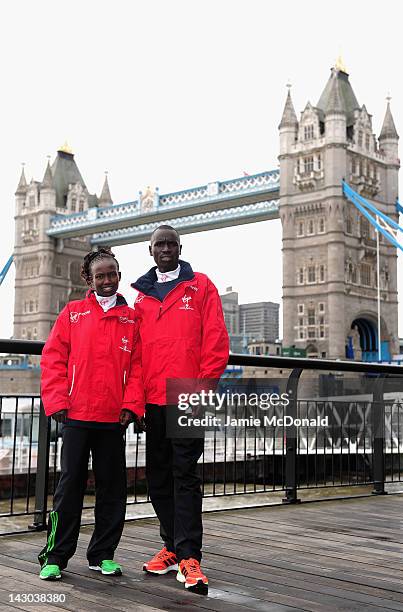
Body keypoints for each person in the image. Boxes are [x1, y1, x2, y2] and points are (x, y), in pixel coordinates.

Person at [131, 225, 229, 594]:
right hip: (152, 398)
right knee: (158, 477)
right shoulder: (139, 297)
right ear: (150, 250)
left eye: (172, 243)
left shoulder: (201, 286)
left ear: (180, 247)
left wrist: (202, 388)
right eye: (160, 244)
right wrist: (136, 398)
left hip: (187, 393)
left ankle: (190, 556)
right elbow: (136, 354)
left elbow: (217, 340)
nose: (166, 249)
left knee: (184, 475)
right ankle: (171, 545)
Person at [38, 247, 144, 581]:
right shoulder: (72, 314)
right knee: (68, 487)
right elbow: (53, 359)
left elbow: (139, 367)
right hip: (76, 415)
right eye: (100, 275)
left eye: (112, 273)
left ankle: (103, 554)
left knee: (112, 488)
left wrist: (131, 405)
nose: (108, 280)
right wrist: (57, 402)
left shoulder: (132, 319)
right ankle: (55, 556)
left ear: (119, 275)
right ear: (89, 279)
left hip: (114, 417)